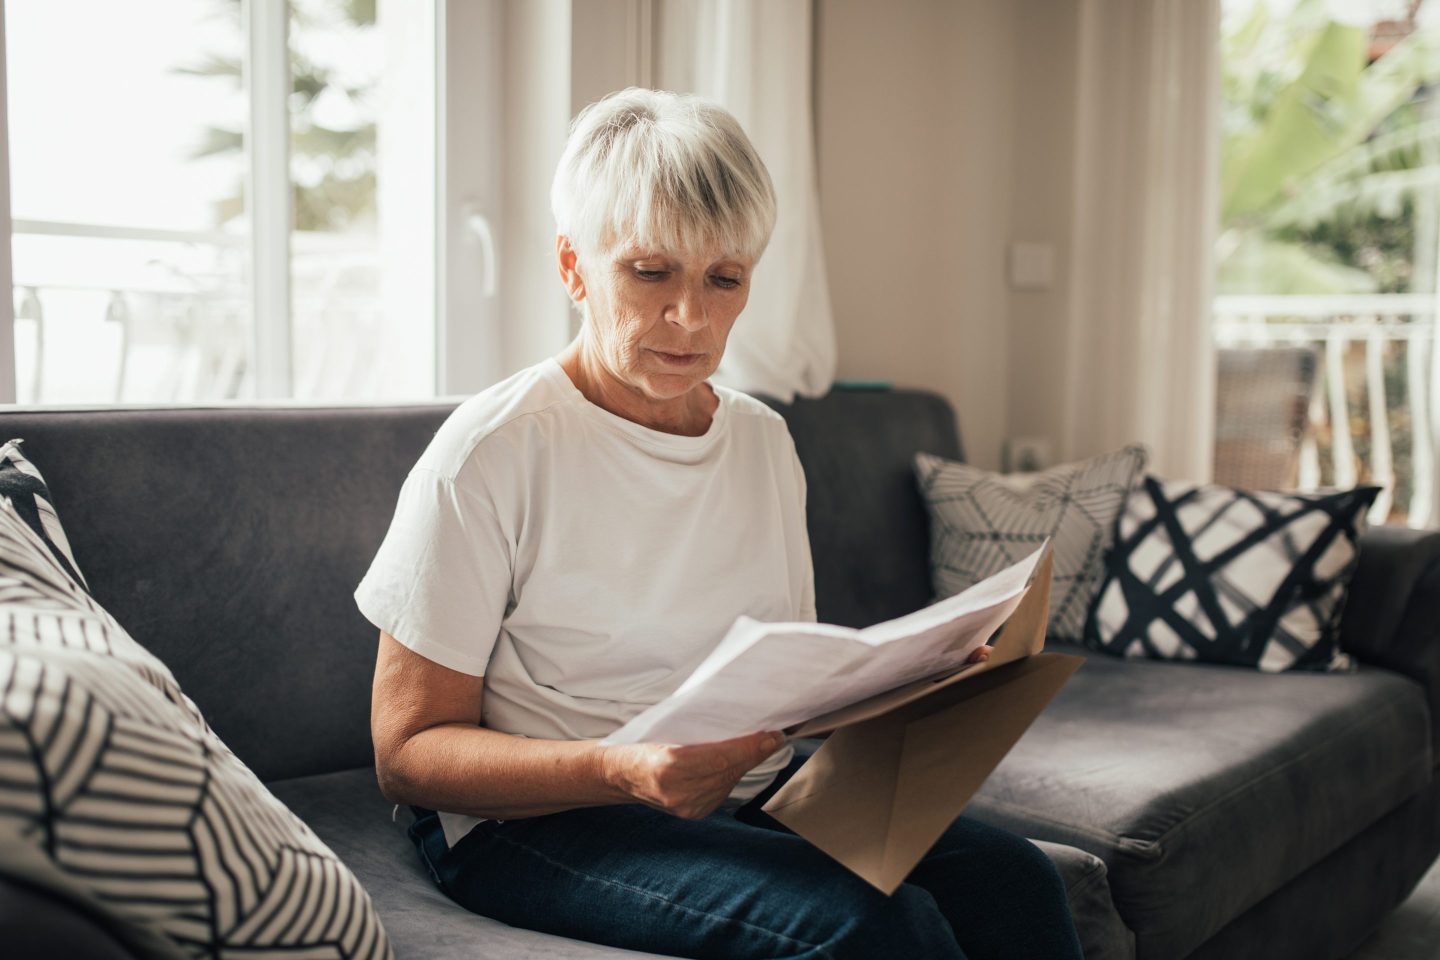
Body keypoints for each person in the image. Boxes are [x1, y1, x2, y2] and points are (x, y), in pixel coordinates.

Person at [355, 87, 1083, 960]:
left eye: (724, 278)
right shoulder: (492, 452)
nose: (692, 318)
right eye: (650, 271)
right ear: (574, 267)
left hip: (743, 787)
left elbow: (790, 683)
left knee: (1016, 880)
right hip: (543, 817)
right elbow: (407, 754)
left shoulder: (762, 440)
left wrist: (923, 673)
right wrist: (621, 769)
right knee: (872, 928)